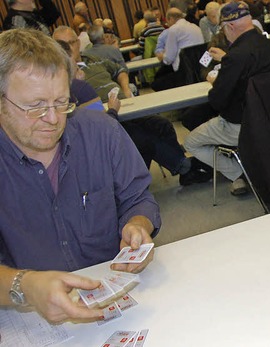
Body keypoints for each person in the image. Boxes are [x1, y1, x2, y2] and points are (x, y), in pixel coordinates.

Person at [0, 29, 162, 323]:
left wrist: (138, 224)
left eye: (62, 102)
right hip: (28, 314)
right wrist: (24, 285)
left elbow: (137, 198)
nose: (52, 118)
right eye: (35, 106)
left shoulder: (102, 132)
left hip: (117, 295)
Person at [53, 27, 209, 185]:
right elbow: (95, 125)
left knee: (162, 124)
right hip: (108, 120)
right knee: (144, 138)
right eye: (60, 45)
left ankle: (183, 171)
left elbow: (120, 69)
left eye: (70, 43)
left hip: (125, 108)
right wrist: (111, 108)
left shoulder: (93, 58)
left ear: (78, 43)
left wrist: (126, 89)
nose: (66, 49)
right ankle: (185, 167)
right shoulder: (65, 79)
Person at [183, 1, 270, 195]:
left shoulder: (236, 54)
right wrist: (208, 74)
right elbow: (202, 66)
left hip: (247, 121)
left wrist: (225, 61)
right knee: (194, 117)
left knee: (191, 139)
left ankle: (240, 173)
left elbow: (217, 100)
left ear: (228, 25)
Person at [152, 7, 204, 91]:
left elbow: (169, 59)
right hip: (199, 70)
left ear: (171, 19)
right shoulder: (196, 27)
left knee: (156, 82)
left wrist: (162, 56)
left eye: (167, 21)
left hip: (183, 72)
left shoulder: (173, 30)